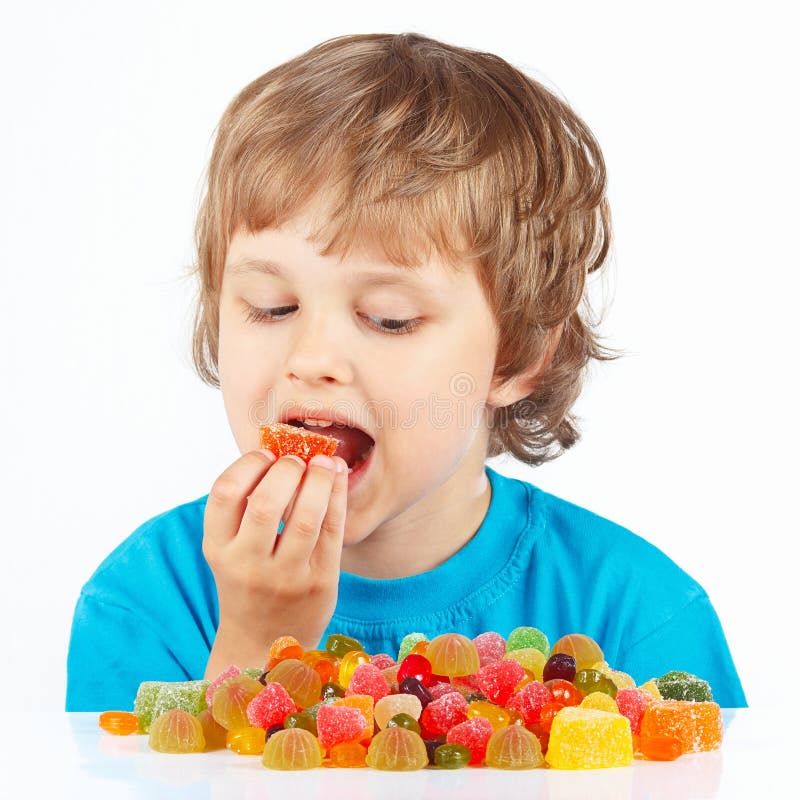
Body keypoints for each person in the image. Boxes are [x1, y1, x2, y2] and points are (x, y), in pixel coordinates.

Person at [66, 32, 746, 711]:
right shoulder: (146, 605)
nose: (312, 359)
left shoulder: (639, 618)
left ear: (518, 356)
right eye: (272, 308)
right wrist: (255, 645)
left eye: (389, 318)